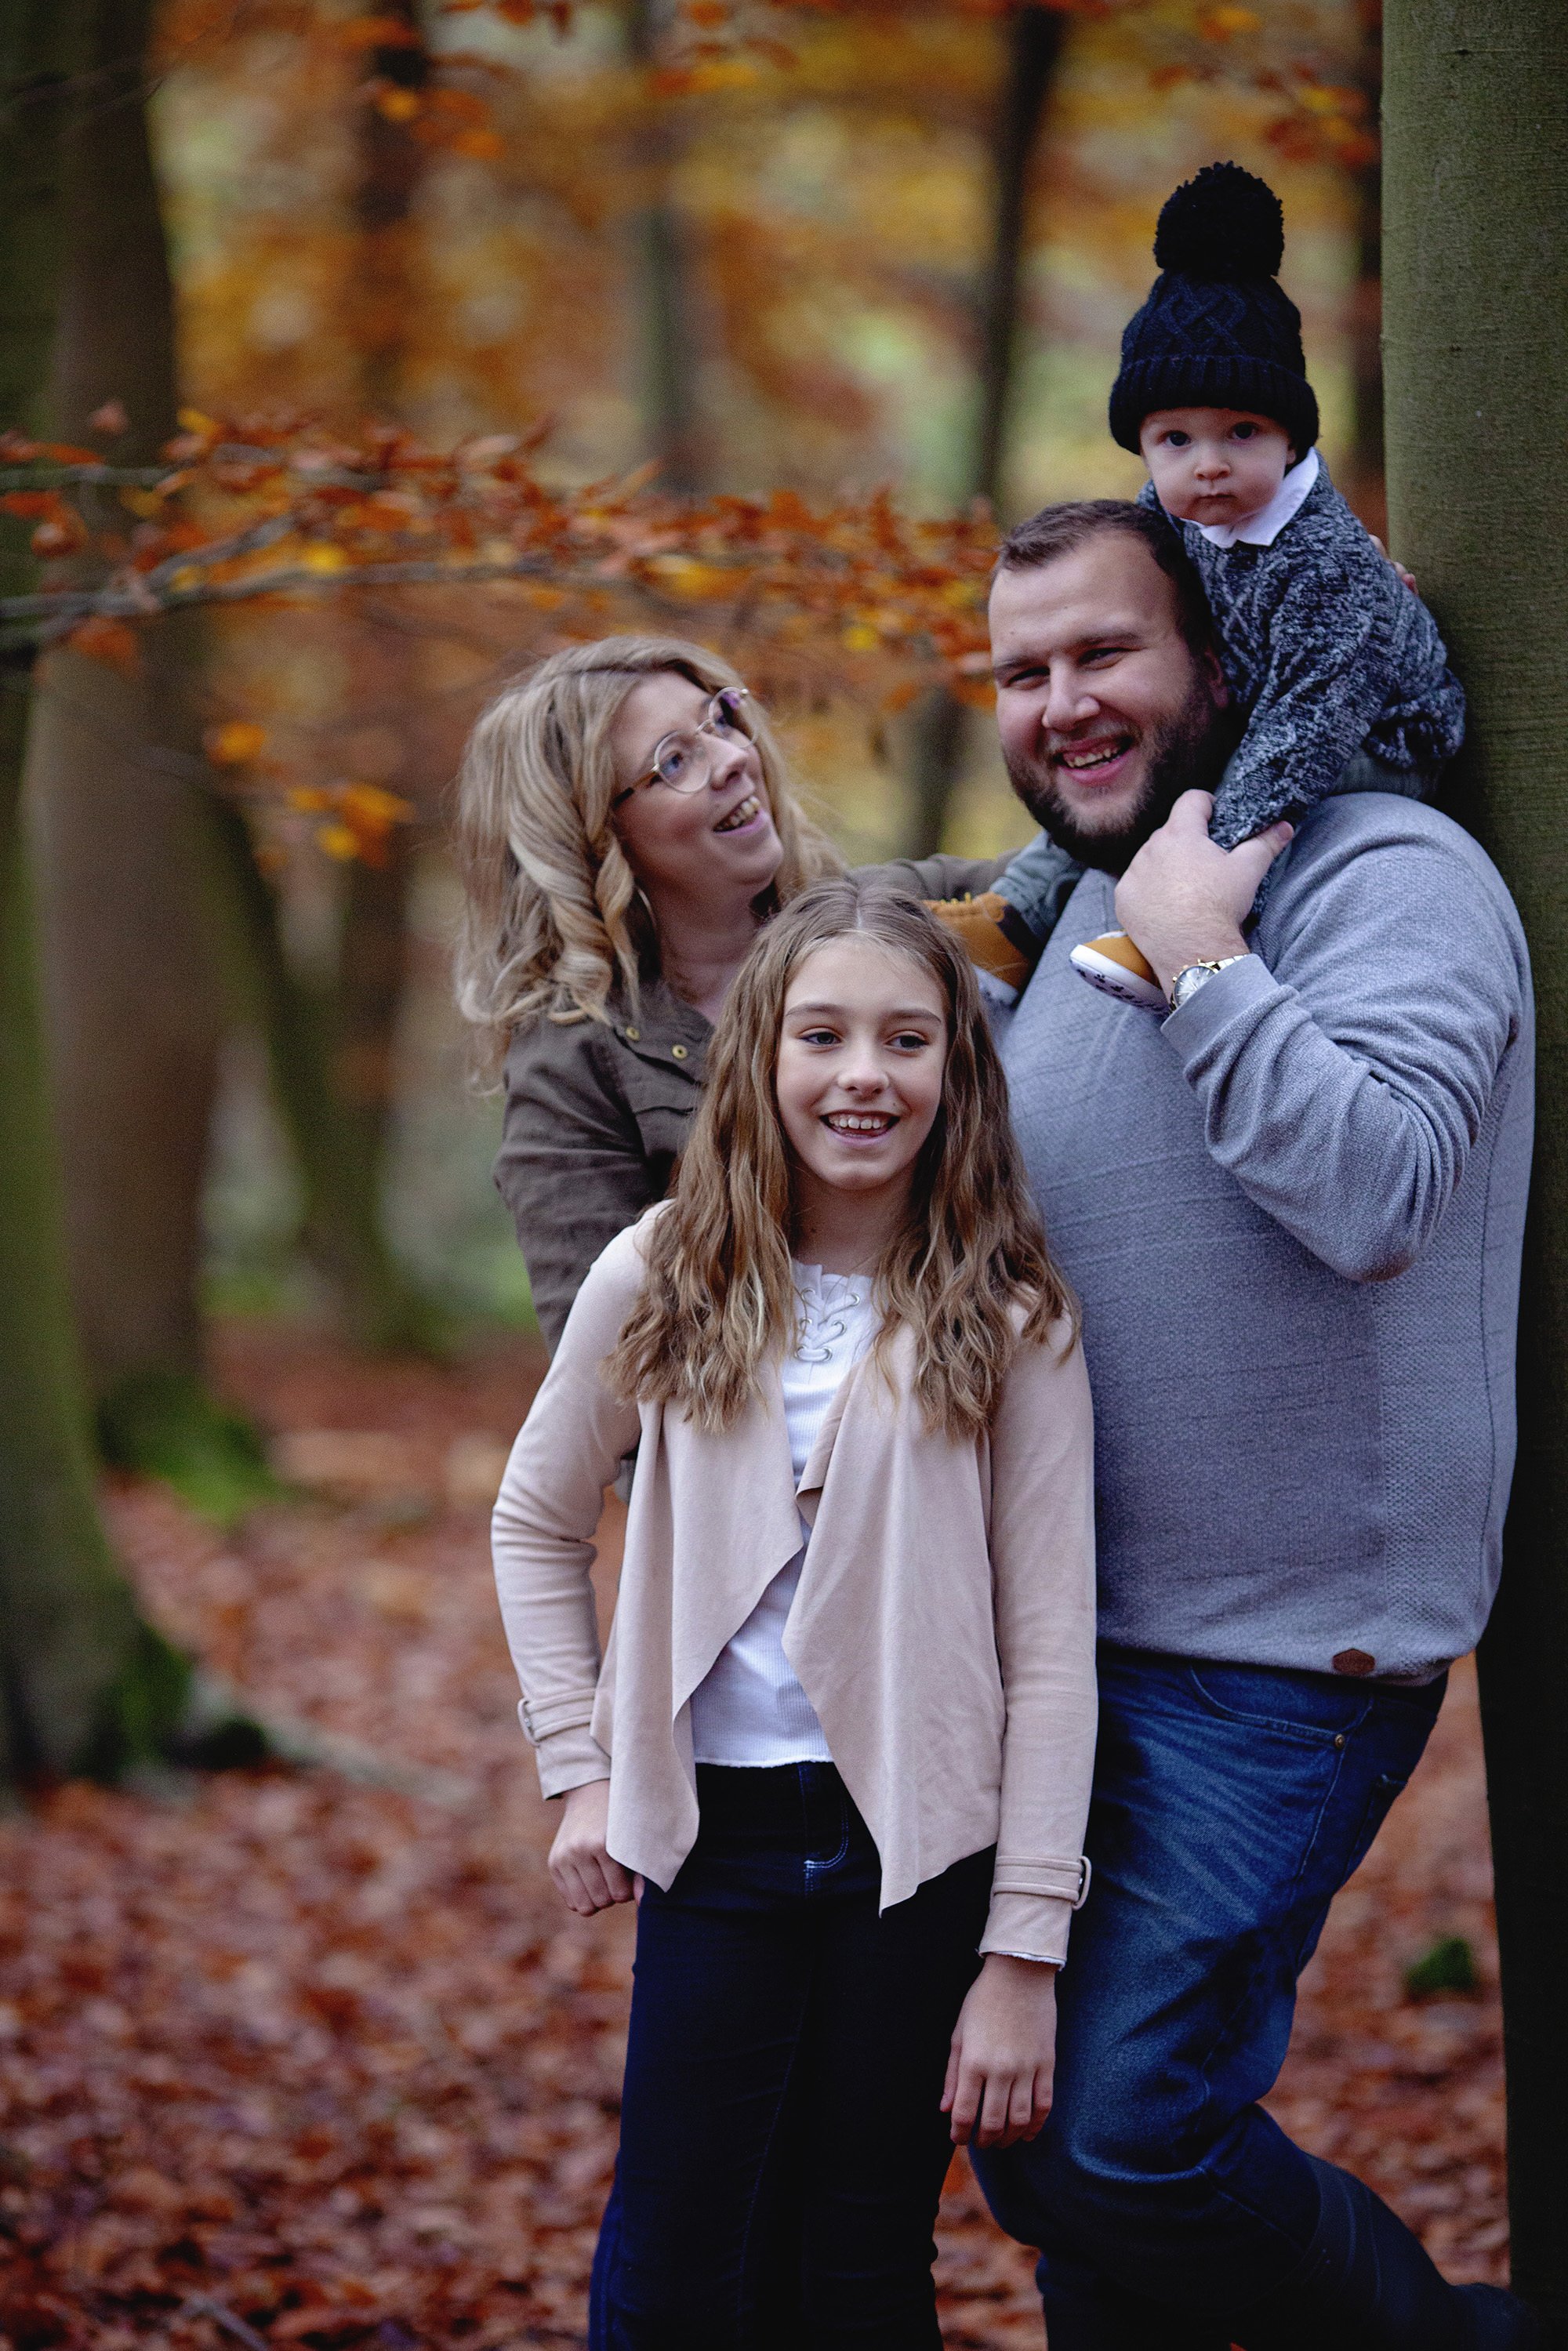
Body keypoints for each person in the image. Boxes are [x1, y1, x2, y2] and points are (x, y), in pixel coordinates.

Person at [974, 495, 1537, 2349]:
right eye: (1019, 668)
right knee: (1037, 2143)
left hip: (1285, 1652)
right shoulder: (1063, 920)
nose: (1058, 701)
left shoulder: (1385, 874)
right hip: (1061, 1649)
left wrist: (1207, 955)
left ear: (1214, 659)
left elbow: (1375, 1195)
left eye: (1099, 653)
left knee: (1128, 2135)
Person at [490, 879, 1097, 2346]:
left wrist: (1023, 1949)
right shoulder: (664, 1270)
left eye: (904, 1039)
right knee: (680, 2254)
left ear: (955, 1070)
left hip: (922, 1849)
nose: (862, 1076)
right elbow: (534, 1518)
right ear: (763, 1053)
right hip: (721, 1840)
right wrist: (579, 1764)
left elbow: (1053, 1646)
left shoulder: (1011, 1315)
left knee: (861, 2253)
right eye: (822, 1034)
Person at [452, 633, 1077, 1348]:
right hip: (737, 1443)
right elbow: (605, 1366)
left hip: (964, 1402)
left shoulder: (891, 915)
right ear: (594, 832)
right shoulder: (574, 1062)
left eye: (719, 719)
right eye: (674, 761)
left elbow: (1072, 865)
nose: (733, 758)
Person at [993, 160, 1465, 1012]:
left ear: (1287, 437)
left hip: (1375, 734)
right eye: (1175, 440)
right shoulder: (1169, 514)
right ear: (1143, 446)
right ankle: (1014, 916)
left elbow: (1305, 732)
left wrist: (1203, 816)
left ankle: (1189, 928)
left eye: (1239, 432)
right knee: (1126, 742)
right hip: (1263, 695)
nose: (1206, 465)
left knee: (1260, 795)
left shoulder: (1325, 567)